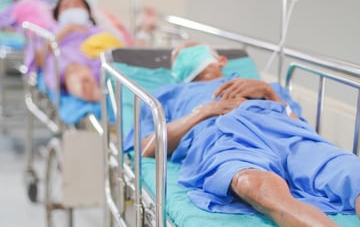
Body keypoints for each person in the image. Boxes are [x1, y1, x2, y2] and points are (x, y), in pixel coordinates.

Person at [125, 45, 360, 226]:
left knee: (351, 171)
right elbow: (147, 146)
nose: (184, 54)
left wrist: (269, 92)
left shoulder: (266, 87)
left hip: (286, 133)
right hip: (224, 136)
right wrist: (202, 113)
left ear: (221, 60)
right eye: (177, 56)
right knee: (251, 183)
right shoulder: (169, 94)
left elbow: (300, 126)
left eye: (192, 49)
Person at [39, 0, 123, 102]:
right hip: (68, 59)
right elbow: (40, 59)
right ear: (57, 14)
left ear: (87, 11)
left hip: (98, 59)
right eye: (66, 6)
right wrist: (66, 30)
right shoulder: (50, 31)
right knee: (74, 69)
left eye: (77, 5)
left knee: (117, 68)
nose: (72, 8)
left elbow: (118, 47)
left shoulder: (98, 31)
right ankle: (91, 91)